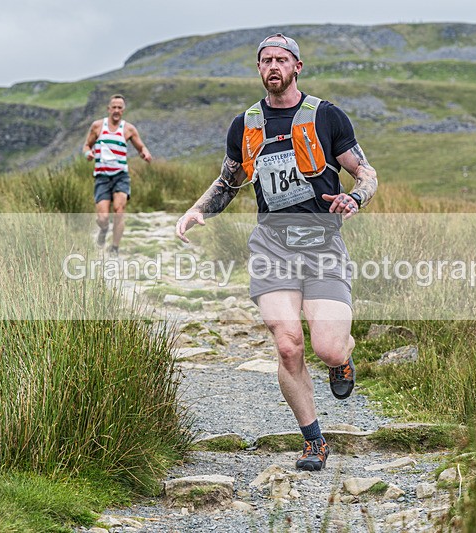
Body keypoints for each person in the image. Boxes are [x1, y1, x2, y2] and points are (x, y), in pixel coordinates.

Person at [175, 33, 378, 471]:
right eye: (265, 60)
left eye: (281, 60)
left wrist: (355, 198)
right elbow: (230, 181)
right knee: (288, 345)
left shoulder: (326, 116)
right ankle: (314, 440)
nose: (273, 67)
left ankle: (342, 356)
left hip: (322, 244)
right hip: (271, 245)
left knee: (326, 347)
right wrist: (196, 210)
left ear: (297, 66)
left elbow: (365, 172)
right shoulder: (245, 124)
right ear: (259, 69)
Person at [83, 94, 152, 255]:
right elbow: (87, 145)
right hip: (102, 177)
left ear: (123, 110)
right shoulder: (98, 126)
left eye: (119, 107)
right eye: (113, 107)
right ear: (108, 109)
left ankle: (114, 247)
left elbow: (141, 147)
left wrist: (145, 154)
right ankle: (104, 229)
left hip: (121, 176)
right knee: (103, 218)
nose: (116, 110)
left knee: (119, 210)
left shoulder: (128, 129)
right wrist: (88, 154)